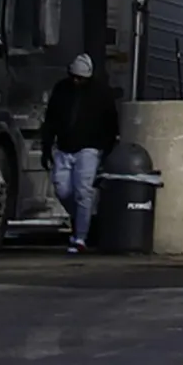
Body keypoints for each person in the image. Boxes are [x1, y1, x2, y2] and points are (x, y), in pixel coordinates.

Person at [43, 54, 120, 254]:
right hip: (65, 147)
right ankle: (84, 220)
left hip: (89, 148)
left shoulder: (101, 94)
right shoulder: (62, 90)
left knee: (83, 192)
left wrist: (105, 148)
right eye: (74, 77)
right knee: (62, 190)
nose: (76, 81)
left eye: (80, 78)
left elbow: (111, 123)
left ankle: (80, 238)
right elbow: (50, 119)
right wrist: (47, 146)